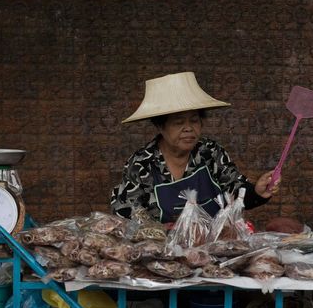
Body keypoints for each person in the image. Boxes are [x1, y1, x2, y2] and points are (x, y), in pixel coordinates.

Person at [111, 71, 280, 223]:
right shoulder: (142, 164)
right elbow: (126, 218)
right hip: (162, 253)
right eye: (178, 122)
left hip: (213, 249)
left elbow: (236, 192)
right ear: (160, 127)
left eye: (194, 120)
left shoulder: (210, 152)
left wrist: (257, 191)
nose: (188, 128)